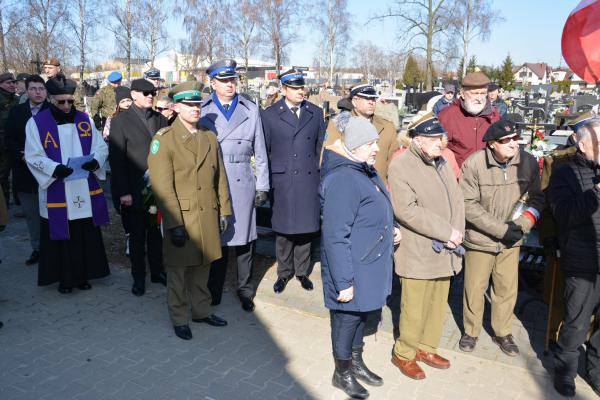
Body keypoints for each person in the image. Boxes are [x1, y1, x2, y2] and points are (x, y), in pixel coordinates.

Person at [320, 116, 400, 399]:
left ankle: (355, 362)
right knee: (346, 321)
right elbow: (334, 236)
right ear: (354, 146)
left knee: (360, 315)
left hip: (366, 262)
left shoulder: (366, 170)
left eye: (375, 142)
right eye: (369, 144)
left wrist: (393, 229)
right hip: (351, 266)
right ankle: (341, 373)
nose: (376, 148)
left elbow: (380, 206)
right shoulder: (343, 178)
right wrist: (343, 282)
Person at [148, 81, 232, 340]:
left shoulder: (208, 136)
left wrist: (224, 210)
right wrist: (174, 224)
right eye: (189, 105)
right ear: (175, 107)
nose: (196, 109)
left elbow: (220, 178)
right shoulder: (164, 140)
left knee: (203, 266)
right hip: (181, 217)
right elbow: (162, 187)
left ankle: (201, 311)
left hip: (207, 213)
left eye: (198, 104)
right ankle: (179, 317)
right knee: (178, 271)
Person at [388, 113, 465, 380]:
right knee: (414, 306)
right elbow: (407, 211)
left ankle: (427, 347)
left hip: (446, 247)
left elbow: (457, 199)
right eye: (433, 138)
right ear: (418, 140)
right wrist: (447, 231)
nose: (440, 143)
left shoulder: (442, 162)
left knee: (437, 304)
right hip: (419, 250)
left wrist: (457, 232)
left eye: (440, 138)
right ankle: (404, 353)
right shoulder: (401, 166)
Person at [459, 120, 544, 356]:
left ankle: (503, 332)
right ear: (492, 144)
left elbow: (537, 198)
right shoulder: (475, 164)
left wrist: (523, 225)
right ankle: (471, 331)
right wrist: (500, 230)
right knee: (475, 287)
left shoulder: (527, 162)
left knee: (506, 288)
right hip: (480, 238)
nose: (513, 144)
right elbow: (468, 204)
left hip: (513, 238)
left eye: (515, 139)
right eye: (506, 141)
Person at [24, 76, 110, 293]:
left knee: (83, 235)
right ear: (51, 99)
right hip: (57, 186)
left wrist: (96, 161)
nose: (66, 106)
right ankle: (65, 280)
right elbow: (32, 155)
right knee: (62, 237)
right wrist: (54, 169)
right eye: (61, 102)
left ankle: (83, 276)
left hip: (82, 187)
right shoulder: (36, 123)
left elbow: (101, 147)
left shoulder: (85, 119)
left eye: (69, 101)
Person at [201, 59, 269, 312]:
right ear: (213, 83)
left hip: (242, 179)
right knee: (217, 238)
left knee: (245, 241)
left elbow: (260, 151)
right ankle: (213, 289)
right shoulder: (204, 109)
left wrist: (263, 186)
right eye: (224, 80)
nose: (230, 85)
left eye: (233, 80)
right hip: (213, 179)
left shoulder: (250, 109)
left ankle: (245, 290)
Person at [261, 68, 326, 293]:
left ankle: (302, 271)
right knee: (284, 230)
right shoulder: (269, 115)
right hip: (283, 179)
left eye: (302, 87)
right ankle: (283, 273)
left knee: (306, 229)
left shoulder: (315, 113)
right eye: (296, 88)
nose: (301, 91)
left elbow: (320, 147)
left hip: (308, 178)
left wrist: (319, 173)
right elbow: (264, 150)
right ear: (284, 90)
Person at [549, 117, 600, 397]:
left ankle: (595, 372)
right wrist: (596, 192)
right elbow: (564, 216)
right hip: (582, 263)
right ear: (581, 145)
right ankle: (565, 372)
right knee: (576, 323)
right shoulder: (565, 173)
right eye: (598, 142)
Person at [109, 79, 168, 296]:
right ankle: (138, 277)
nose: (151, 95)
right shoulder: (121, 121)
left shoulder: (161, 119)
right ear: (134, 95)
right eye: (146, 92)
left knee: (155, 234)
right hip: (133, 191)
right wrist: (123, 191)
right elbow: (117, 160)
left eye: (153, 92)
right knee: (136, 237)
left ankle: (157, 272)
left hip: (155, 191)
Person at [5, 75, 49, 266]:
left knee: (50, 212)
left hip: (48, 172)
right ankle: (38, 249)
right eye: (33, 89)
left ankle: (53, 250)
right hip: (24, 170)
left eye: (41, 88)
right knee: (32, 214)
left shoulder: (53, 111)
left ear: (46, 91)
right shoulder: (17, 112)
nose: (37, 92)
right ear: (27, 91)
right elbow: (9, 139)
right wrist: (22, 155)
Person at [322, 82, 398, 184]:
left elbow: (394, 163)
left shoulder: (388, 127)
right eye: (367, 99)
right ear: (354, 101)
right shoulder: (338, 125)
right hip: (348, 186)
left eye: (373, 99)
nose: (372, 102)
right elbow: (329, 159)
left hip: (378, 189)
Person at [438, 71, 500, 168]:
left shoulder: (494, 116)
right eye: (475, 93)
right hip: (458, 176)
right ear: (462, 94)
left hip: (487, 175)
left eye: (483, 93)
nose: (479, 98)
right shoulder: (447, 116)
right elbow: (439, 148)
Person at [0, 72, 17, 205]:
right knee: (3, 176)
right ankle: (4, 205)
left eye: (13, 82)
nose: (12, 85)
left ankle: (17, 202)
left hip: (15, 144)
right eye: (8, 83)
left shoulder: (16, 99)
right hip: (2, 145)